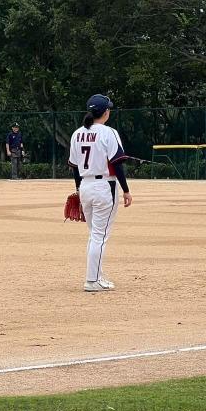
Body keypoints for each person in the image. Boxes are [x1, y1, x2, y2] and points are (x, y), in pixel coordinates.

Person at [68, 94, 132, 293]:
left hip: (85, 186)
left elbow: (74, 166)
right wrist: (126, 190)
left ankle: (97, 276)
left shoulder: (77, 133)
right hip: (104, 187)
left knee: (95, 235)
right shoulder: (109, 132)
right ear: (105, 112)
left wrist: (78, 190)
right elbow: (117, 164)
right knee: (99, 236)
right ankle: (92, 280)